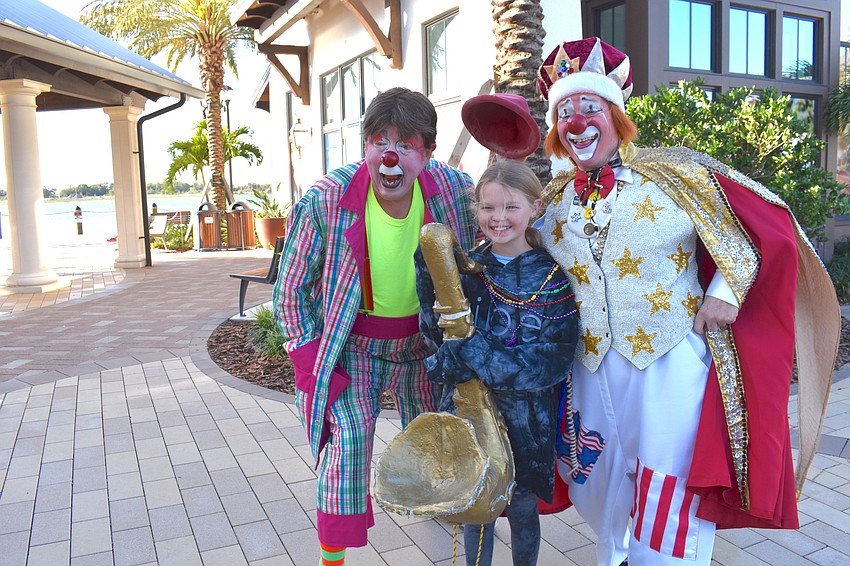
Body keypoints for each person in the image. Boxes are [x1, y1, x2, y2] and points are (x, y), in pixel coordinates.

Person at [530, 37, 839, 565]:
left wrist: (724, 293)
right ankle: (615, 555)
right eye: (563, 111)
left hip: (667, 364)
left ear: (615, 113)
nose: (575, 121)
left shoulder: (676, 176)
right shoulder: (553, 201)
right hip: (587, 368)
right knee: (595, 478)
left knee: (665, 481)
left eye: (589, 106)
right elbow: (524, 260)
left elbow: (761, 230)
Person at [272, 87, 479, 565]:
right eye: (379, 140)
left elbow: (488, 243)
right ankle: (332, 560)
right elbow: (290, 291)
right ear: (364, 145)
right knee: (345, 452)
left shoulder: (454, 190)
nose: (390, 154)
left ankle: (442, 517)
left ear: (426, 152)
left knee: (439, 443)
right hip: (355, 349)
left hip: (424, 346)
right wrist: (307, 360)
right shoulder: (325, 200)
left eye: (406, 143)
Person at [416, 160, 578, 566]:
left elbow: (549, 361)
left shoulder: (552, 277)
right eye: (488, 208)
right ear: (477, 210)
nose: (499, 218)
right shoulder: (465, 270)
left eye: (511, 207)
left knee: (523, 510)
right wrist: (429, 277)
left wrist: (476, 353)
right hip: (470, 414)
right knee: (478, 512)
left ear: (535, 208)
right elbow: (438, 340)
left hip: (528, 422)